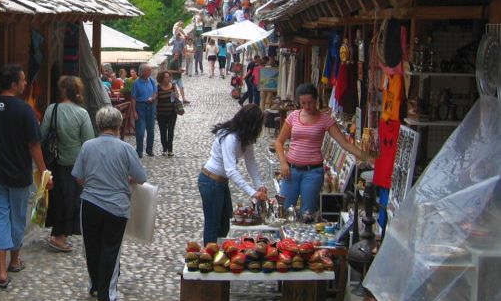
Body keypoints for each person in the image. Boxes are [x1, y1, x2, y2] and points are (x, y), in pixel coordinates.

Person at [0, 64, 51, 289]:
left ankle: (0, 271)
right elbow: (34, 145)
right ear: (14, 84)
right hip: (19, 175)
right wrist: (44, 172)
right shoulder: (25, 110)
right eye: (24, 80)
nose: (26, 83)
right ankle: (14, 260)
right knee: (17, 218)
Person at [73, 106, 147, 301]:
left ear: (98, 125)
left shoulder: (88, 146)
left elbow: (79, 177)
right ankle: (106, 295)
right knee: (111, 249)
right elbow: (141, 177)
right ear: (118, 125)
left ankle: (95, 285)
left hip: (90, 204)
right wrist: (126, 178)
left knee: (91, 246)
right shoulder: (126, 148)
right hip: (117, 206)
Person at [275, 83, 372, 213]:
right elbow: (279, 142)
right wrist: (283, 163)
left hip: (313, 172)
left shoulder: (325, 120)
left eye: (310, 102)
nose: (307, 106)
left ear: (316, 100)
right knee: (284, 209)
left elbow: (345, 144)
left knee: (308, 212)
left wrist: (367, 157)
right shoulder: (293, 116)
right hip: (291, 170)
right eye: (303, 103)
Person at [198, 105, 268, 245]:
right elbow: (231, 170)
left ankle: (217, 252)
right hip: (210, 181)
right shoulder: (230, 137)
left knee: (225, 223)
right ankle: (209, 256)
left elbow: (251, 161)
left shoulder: (245, 137)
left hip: (220, 182)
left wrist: (259, 184)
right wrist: (252, 192)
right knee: (213, 225)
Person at [41, 76, 95, 253]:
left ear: (63, 90)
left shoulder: (52, 109)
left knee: (57, 199)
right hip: (75, 164)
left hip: (54, 161)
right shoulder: (82, 114)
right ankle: (59, 236)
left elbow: (42, 135)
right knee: (71, 200)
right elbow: (88, 141)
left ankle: (58, 233)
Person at [130, 64, 157, 157]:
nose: (150, 71)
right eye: (148, 70)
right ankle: (139, 151)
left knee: (151, 130)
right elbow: (133, 98)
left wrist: (152, 98)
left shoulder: (152, 81)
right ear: (142, 72)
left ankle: (149, 150)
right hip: (140, 107)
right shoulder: (136, 83)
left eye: (150, 70)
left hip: (151, 106)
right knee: (140, 131)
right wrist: (134, 112)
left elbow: (155, 92)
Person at [155, 70, 181, 156]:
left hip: (172, 112)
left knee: (170, 130)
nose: (168, 78)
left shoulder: (173, 86)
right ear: (162, 78)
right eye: (166, 77)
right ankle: (164, 149)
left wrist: (176, 95)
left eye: (169, 76)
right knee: (163, 131)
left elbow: (177, 95)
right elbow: (156, 99)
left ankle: (170, 149)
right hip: (161, 113)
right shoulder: (158, 87)